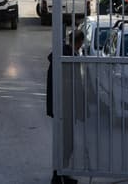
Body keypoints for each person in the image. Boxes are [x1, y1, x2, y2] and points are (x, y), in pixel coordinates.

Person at [46, 29, 85, 184]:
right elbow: (73, 84)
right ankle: (59, 174)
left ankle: (62, 173)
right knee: (65, 143)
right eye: (81, 43)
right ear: (79, 42)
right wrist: (80, 107)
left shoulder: (64, 54)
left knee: (64, 142)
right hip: (64, 107)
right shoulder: (66, 57)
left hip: (61, 106)